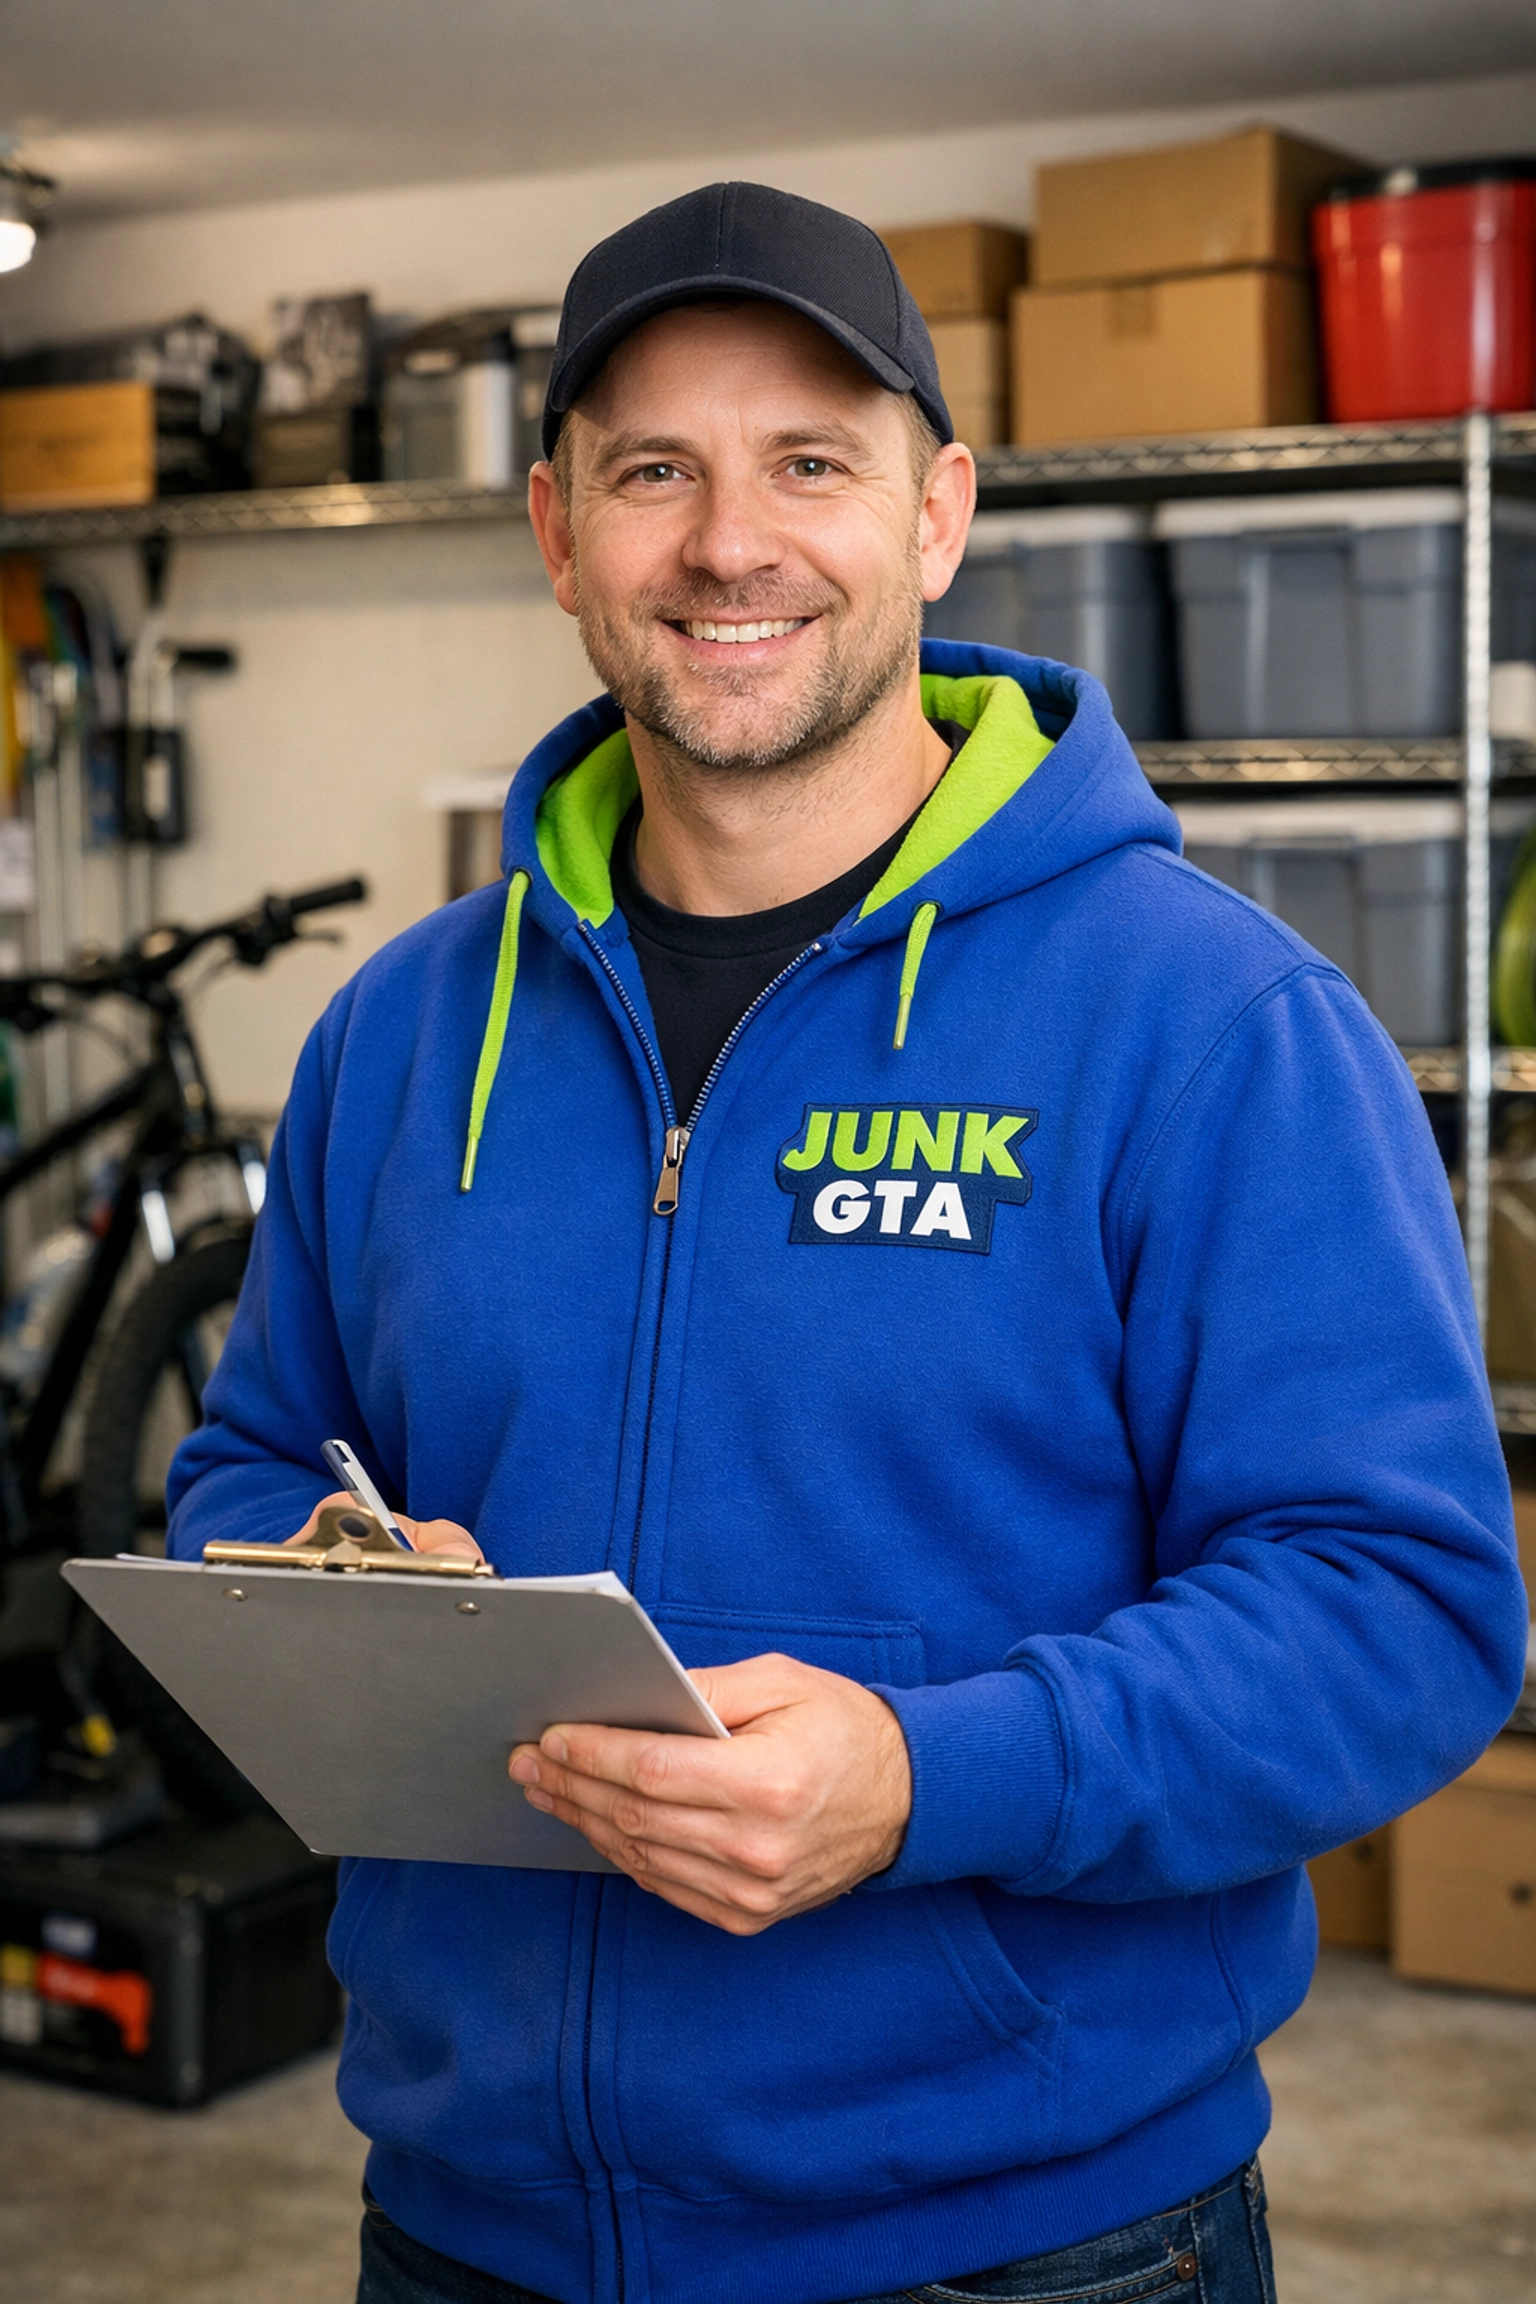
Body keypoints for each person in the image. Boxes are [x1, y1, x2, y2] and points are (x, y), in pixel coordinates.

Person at [167, 182, 1527, 2304]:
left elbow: (1401, 1603)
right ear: (557, 533)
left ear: (937, 515)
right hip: (463, 2230)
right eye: (653, 471)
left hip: (1032, 2247)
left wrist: (925, 1778)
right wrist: (343, 1577)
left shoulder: (1208, 1022)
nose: (731, 543)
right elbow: (251, 1467)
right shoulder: (404, 1033)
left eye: (812, 462)